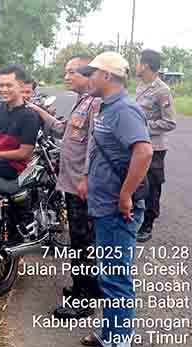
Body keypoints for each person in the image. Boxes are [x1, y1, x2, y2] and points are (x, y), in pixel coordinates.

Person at [78, 52, 153, 347]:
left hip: (116, 209)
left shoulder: (124, 110)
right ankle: (111, 334)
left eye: (92, 73)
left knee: (116, 278)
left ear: (107, 76)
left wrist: (125, 195)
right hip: (104, 204)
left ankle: (119, 341)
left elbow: (144, 151)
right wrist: (87, 178)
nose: (88, 78)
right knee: (108, 276)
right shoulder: (106, 108)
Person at [27, 55, 102, 320]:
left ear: (87, 73)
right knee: (79, 238)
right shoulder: (81, 101)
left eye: (72, 72)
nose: (67, 76)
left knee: (83, 241)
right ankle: (84, 286)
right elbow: (61, 130)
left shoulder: (95, 104)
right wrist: (38, 111)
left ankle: (84, 300)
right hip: (71, 183)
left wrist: (85, 177)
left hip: (82, 185)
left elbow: (95, 146)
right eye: (66, 72)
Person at [135, 49, 177, 242]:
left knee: (153, 186)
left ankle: (148, 224)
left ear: (145, 65)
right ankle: (138, 217)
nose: (136, 66)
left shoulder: (162, 90)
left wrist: (144, 126)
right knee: (139, 183)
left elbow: (170, 122)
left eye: (138, 62)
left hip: (155, 147)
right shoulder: (141, 85)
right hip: (138, 144)